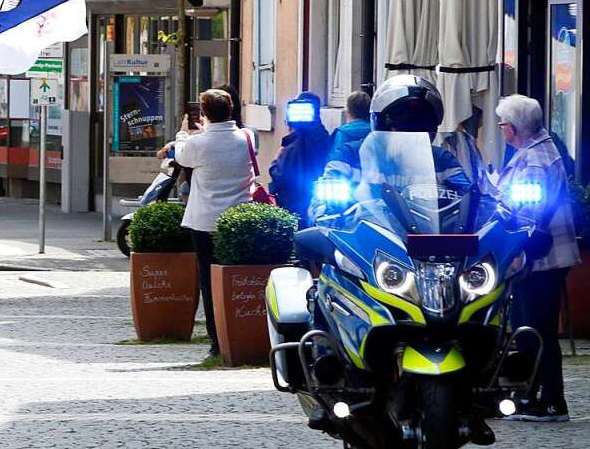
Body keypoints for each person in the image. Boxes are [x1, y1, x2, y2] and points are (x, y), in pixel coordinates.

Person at [496, 94, 579, 423]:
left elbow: (527, 212)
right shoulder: (538, 150)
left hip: (541, 257)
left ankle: (551, 401)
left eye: (503, 125)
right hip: (545, 255)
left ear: (515, 128)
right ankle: (529, 393)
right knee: (526, 324)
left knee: (536, 327)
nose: (502, 130)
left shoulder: (533, 159)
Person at [316, 75, 471, 225]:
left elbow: (469, 198)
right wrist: (331, 219)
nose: (410, 136)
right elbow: (322, 207)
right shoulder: (348, 157)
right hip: (366, 246)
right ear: (382, 125)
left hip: (428, 245)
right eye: (403, 127)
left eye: (419, 130)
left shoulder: (443, 161)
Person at [173, 89, 257, 358]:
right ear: (231, 109)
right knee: (238, 278)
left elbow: (181, 156)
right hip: (239, 220)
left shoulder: (198, 143)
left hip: (206, 222)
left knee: (209, 282)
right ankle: (241, 330)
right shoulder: (247, 137)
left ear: (205, 113)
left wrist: (184, 133)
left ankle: (216, 340)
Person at [269, 92, 331, 224]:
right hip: (312, 202)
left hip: (295, 203)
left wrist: (276, 160)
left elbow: (279, 175)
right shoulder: (322, 137)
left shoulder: (295, 145)